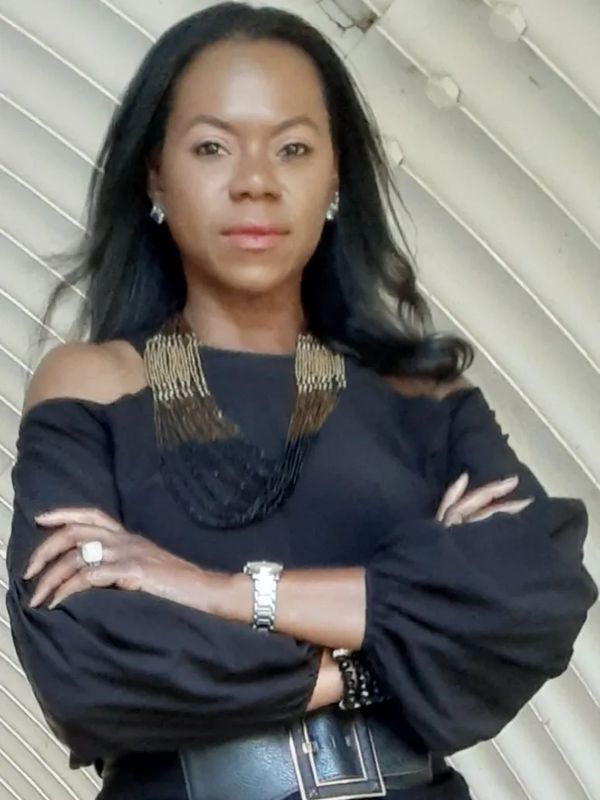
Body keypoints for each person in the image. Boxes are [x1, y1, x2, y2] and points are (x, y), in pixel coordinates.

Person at [5, 3, 597, 800]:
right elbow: (89, 662)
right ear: (155, 172)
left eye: (292, 148)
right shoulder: (97, 382)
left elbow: (528, 597)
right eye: (212, 146)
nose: (254, 181)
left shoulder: (419, 392)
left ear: (335, 175)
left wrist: (214, 591)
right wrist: (379, 650)